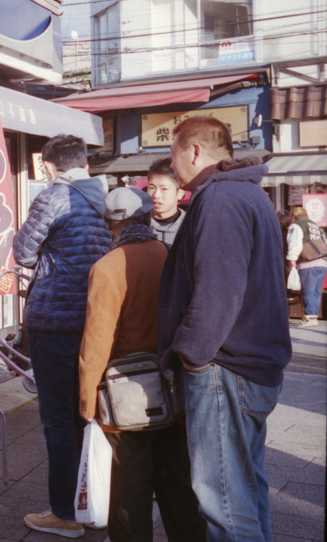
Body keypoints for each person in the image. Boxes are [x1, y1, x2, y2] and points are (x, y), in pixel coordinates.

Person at [158, 116, 291, 542]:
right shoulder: (250, 193)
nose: (173, 166)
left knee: (224, 505)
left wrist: (190, 356)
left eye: (174, 154)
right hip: (248, 366)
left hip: (224, 368)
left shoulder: (219, 199)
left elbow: (218, 294)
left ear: (193, 150)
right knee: (246, 493)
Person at [79, 187, 205, 542]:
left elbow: (97, 340)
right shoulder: (166, 253)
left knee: (130, 491)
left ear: (109, 223)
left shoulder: (107, 266)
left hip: (125, 398)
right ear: (146, 217)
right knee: (178, 485)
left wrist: (87, 401)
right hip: (171, 385)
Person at [15, 134, 112, 538]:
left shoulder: (54, 197)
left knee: (56, 418)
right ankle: (91, 505)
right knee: (85, 414)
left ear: (50, 166)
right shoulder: (107, 199)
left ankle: (64, 513)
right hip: (95, 320)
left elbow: (22, 252)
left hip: (53, 321)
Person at [286, 206, 327, 326]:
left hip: (308, 262)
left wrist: (292, 258)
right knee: (316, 291)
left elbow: (295, 242)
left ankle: (309, 318)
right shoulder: (316, 226)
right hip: (323, 262)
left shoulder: (297, 225)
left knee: (308, 290)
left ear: (293, 217)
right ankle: (313, 316)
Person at [146, 157, 186, 248]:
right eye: (151, 188)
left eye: (164, 189)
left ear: (180, 193)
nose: (156, 195)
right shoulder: (137, 226)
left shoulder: (191, 225)